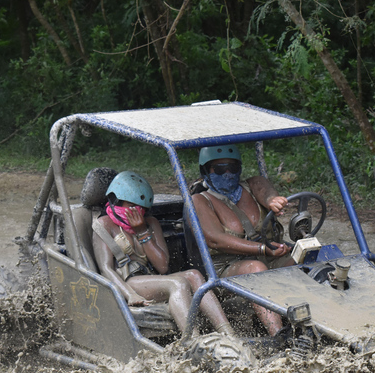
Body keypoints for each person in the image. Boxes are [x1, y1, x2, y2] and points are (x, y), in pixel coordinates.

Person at [92, 171, 234, 338]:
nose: (137, 214)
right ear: (116, 200)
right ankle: (192, 340)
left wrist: (142, 231)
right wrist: (130, 294)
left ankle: (228, 333)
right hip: (129, 281)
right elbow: (106, 268)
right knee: (177, 284)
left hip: (150, 277)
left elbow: (162, 266)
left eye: (141, 209)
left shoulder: (150, 223)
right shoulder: (103, 225)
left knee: (194, 275)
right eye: (131, 207)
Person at [191, 144, 293, 336]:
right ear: (206, 171)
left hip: (269, 257)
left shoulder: (252, 186)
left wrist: (273, 201)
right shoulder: (200, 201)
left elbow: (266, 191)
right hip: (225, 270)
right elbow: (216, 240)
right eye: (220, 169)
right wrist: (263, 249)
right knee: (255, 269)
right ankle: (279, 335)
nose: (228, 173)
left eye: (233, 167)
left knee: (308, 254)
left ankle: (324, 321)